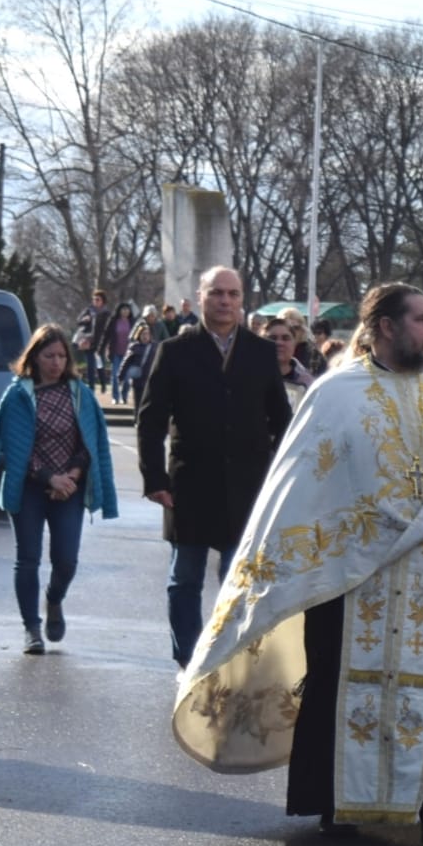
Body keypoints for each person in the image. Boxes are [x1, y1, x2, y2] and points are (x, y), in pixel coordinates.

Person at [169, 283, 423, 846]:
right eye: (420, 319)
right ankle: (335, 800)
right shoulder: (335, 394)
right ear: (386, 327)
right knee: (340, 685)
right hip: (348, 572)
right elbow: (305, 486)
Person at [136, 266, 294, 667]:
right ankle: (188, 661)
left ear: (243, 301)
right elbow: (151, 420)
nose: (225, 301)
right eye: (217, 293)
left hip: (247, 486)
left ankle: (224, 660)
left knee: (237, 580)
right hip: (189, 484)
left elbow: (282, 421)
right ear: (201, 297)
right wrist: (155, 479)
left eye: (233, 294)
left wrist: (282, 479)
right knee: (184, 578)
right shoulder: (174, 351)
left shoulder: (260, 353)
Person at [0, 325, 118, 654]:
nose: (56, 362)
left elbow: (91, 443)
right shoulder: (17, 395)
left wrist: (73, 477)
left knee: (66, 561)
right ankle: (31, 629)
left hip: (70, 489)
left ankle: (53, 599)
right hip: (28, 488)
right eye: (49, 356)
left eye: (62, 356)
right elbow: (10, 445)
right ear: (33, 358)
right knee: (28, 559)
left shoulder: (80, 394)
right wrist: (48, 477)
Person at [270, 319, 315, 406]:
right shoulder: (249, 378)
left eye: (285, 338)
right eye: (273, 338)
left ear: (294, 343)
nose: (279, 343)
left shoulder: (307, 383)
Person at [74, 289, 111, 392]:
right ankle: (91, 387)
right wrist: (84, 319)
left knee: (100, 366)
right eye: (94, 299)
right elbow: (78, 321)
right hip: (89, 342)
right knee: (90, 366)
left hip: (100, 343)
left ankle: (103, 384)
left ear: (103, 301)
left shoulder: (106, 313)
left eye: (98, 299)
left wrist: (108, 344)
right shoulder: (88, 310)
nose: (95, 301)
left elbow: (109, 329)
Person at [106, 302, 136, 404]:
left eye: (127, 309)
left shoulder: (133, 322)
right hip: (116, 353)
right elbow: (107, 336)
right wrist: (103, 349)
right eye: (123, 309)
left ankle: (124, 395)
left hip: (128, 354)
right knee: (115, 376)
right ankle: (115, 397)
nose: (125, 311)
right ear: (119, 311)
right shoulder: (114, 321)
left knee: (127, 377)